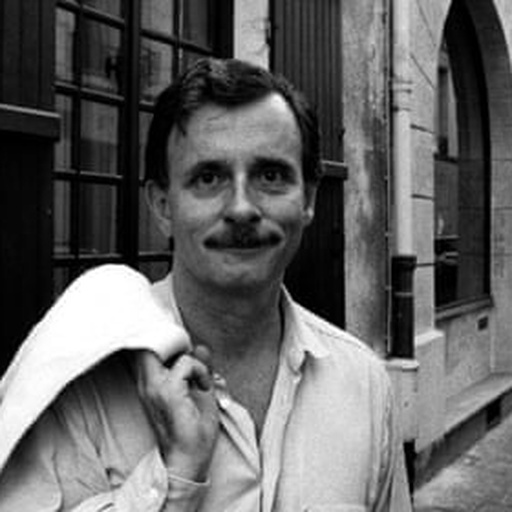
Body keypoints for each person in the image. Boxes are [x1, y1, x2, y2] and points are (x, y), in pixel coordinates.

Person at [0, 58, 412, 511]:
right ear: (162, 205)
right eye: (209, 178)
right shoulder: (77, 390)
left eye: (270, 176)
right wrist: (175, 477)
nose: (241, 208)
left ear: (309, 199)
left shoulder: (365, 386)